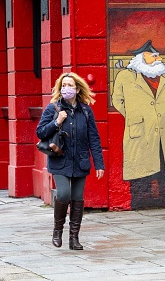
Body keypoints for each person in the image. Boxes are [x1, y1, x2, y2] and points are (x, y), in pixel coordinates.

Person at [112, 40, 165, 209]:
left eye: (158, 55)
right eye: (153, 55)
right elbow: (117, 100)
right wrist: (136, 116)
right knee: (142, 167)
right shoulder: (126, 76)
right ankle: (141, 199)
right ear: (141, 57)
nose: (158, 58)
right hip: (141, 130)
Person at [36, 72, 105, 250]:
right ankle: (57, 230)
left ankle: (74, 238)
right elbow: (40, 132)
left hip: (80, 161)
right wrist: (57, 122)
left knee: (77, 199)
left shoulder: (85, 110)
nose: (67, 88)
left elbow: (94, 139)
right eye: (64, 85)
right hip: (60, 160)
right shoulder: (53, 108)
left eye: (70, 85)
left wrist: (99, 164)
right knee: (64, 194)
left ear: (77, 89)